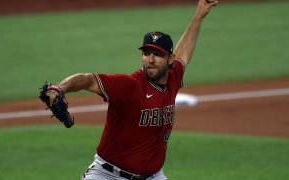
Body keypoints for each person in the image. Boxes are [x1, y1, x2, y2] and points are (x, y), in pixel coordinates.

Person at [45, 0, 218, 179]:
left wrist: (198, 17)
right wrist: (60, 88)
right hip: (107, 174)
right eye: (146, 53)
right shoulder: (129, 85)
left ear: (170, 59)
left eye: (157, 54)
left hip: (153, 176)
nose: (150, 59)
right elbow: (87, 80)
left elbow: (184, 53)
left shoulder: (173, 77)